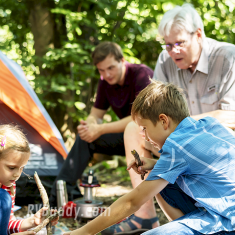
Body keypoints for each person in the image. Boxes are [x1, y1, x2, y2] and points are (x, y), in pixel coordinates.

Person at [118, 4, 235, 233]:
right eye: (167, 44)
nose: (172, 51)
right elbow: (154, 106)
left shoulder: (228, 57)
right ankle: (145, 215)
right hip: (175, 140)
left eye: (179, 43)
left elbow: (231, 115)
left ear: (198, 34)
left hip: (215, 141)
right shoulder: (165, 59)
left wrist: (184, 128)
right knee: (134, 129)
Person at [65, 80, 235, 235]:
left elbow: (133, 202)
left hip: (226, 222)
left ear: (163, 121)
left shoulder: (176, 146)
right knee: (161, 180)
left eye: (144, 128)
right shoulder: (208, 124)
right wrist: (155, 163)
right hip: (224, 207)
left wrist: (83, 232)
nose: (144, 137)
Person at [49, 41, 159, 233]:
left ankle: (145, 215)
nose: (107, 74)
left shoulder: (141, 74)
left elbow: (139, 118)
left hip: (150, 135)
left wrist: (100, 129)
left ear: (122, 61)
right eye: (101, 70)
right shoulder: (105, 82)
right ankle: (59, 197)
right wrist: (89, 126)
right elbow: (96, 114)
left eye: (111, 68)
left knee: (129, 128)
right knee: (85, 138)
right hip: (125, 137)